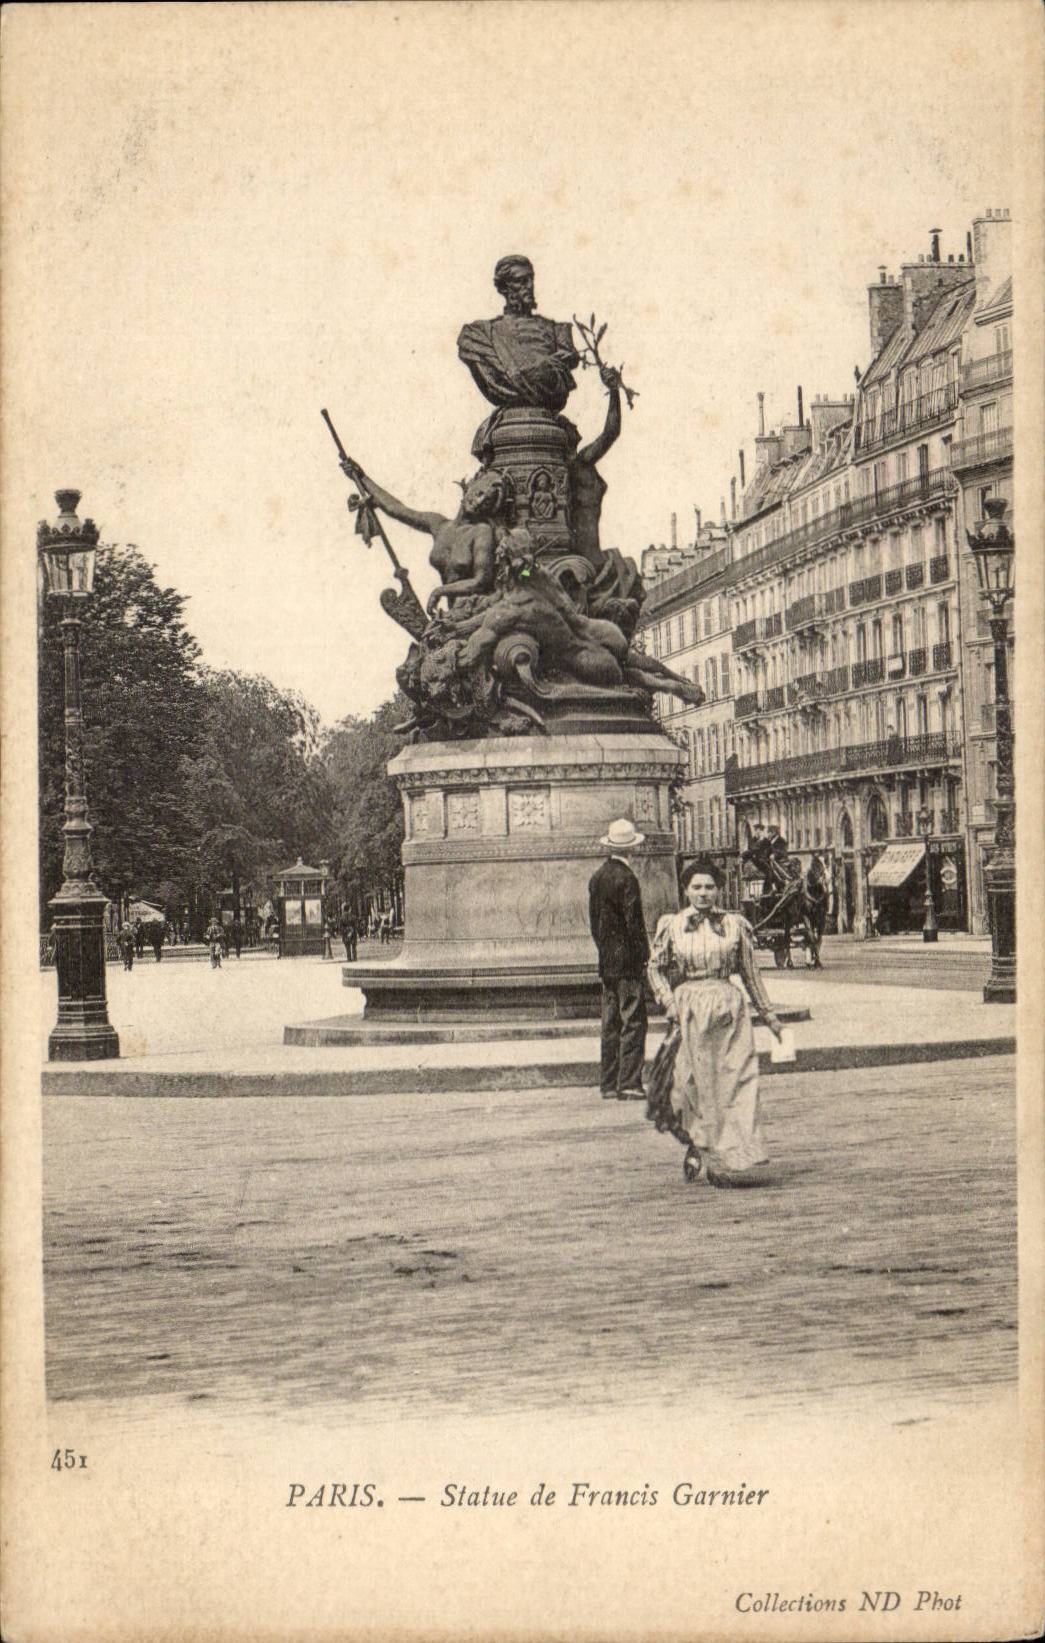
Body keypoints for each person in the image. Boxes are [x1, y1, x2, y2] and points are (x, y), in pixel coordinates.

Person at [647, 857, 783, 1187]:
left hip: (728, 1010)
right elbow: (655, 968)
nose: (704, 893)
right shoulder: (673, 925)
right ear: (686, 890)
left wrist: (770, 1016)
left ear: (719, 890)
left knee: (735, 1082)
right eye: (697, 887)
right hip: (689, 1010)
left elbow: (751, 973)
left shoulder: (735, 925)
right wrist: (668, 1001)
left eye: (710, 886)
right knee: (694, 1085)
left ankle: (730, 1157)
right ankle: (699, 1145)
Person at [588, 818, 650, 1101]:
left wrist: (604, 950)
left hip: (608, 961)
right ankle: (630, 1082)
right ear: (632, 850)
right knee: (634, 1020)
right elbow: (634, 923)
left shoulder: (598, 876)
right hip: (628, 962)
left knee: (610, 1022)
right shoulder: (627, 879)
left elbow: (594, 923)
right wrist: (643, 956)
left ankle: (608, 1083)